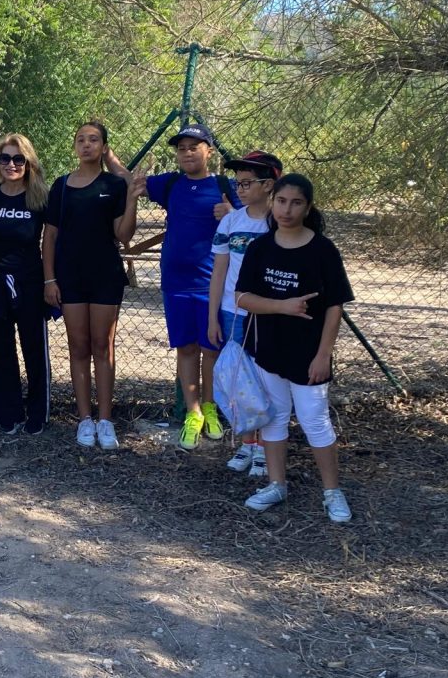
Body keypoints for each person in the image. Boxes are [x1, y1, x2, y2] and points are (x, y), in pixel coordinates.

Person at [235, 174, 354, 522]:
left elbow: (334, 306)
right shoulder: (260, 247)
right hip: (268, 350)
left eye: (296, 203)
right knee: (274, 417)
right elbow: (242, 297)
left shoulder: (323, 250)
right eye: (282, 201)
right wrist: (282, 306)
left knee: (314, 420)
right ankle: (276, 484)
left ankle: (332, 492)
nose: (287, 210)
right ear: (273, 202)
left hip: (308, 354)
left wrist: (323, 354)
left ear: (308, 207)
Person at [43, 121, 142, 449]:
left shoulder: (114, 185)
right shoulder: (61, 186)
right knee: (78, 347)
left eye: (94, 139)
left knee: (103, 346)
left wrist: (132, 200)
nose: (86, 144)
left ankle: (105, 420)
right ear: (75, 146)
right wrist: (49, 278)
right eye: (81, 139)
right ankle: (84, 419)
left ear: (104, 147)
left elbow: (123, 234)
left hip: (104, 276)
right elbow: (50, 236)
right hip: (69, 277)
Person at [137, 123, 236, 450]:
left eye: (194, 146)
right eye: (182, 148)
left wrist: (231, 213)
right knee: (187, 349)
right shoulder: (170, 183)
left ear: (209, 151)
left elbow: (255, 218)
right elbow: (131, 180)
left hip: (211, 284)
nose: (187, 153)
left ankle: (211, 407)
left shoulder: (223, 186)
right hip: (175, 283)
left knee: (212, 349)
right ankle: (193, 413)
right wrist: (108, 155)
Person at [208, 150, 283, 477]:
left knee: (267, 378)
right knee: (240, 377)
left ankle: (267, 446)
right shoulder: (231, 221)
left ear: (269, 185)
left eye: (247, 183)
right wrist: (212, 316)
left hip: (268, 314)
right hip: (233, 312)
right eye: (238, 183)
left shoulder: (279, 223)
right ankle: (247, 442)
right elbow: (219, 271)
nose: (240, 189)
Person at [0, 134, 51, 435]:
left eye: (18, 159)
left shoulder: (40, 197)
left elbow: (51, 242)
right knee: (0, 348)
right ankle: (7, 411)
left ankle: (37, 412)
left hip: (29, 282)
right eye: (5, 158)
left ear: (28, 162)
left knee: (33, 347)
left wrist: (50, 281)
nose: (11, 164)